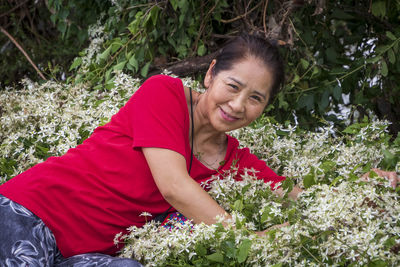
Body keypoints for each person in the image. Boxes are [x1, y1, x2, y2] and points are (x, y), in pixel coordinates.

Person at [0, 33, 398, 266]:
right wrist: (250, 238)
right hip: (31, 214)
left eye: (256, 98)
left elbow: (295, 196)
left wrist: (358, 186)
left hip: (84, 255)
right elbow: (174, 185)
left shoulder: (237, 162)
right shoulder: (164, 94)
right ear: (210, 74)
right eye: (233, 85)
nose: (239, 105)